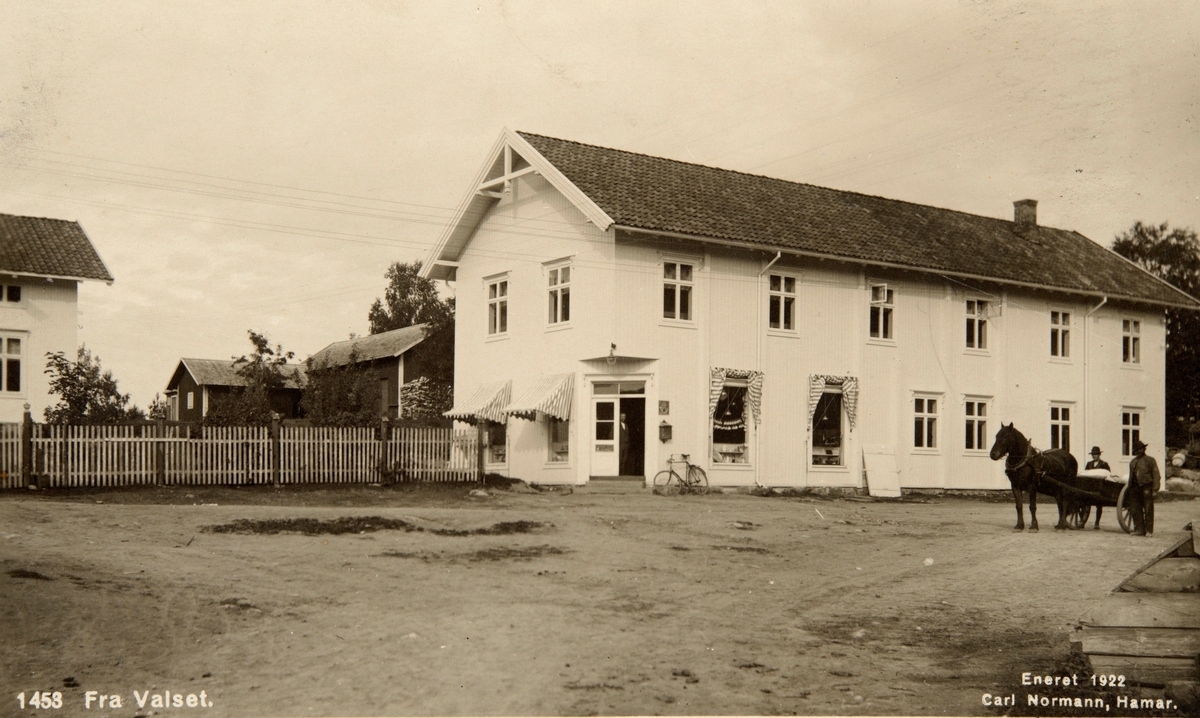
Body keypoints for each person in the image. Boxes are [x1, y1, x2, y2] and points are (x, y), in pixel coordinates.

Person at [1126, 440, 1161, 537]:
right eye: (1137, 449)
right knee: (1135, 509)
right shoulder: (1132, 462)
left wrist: (1155, 489)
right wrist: (1130, 488)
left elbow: (1156, 475)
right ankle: (1139, 530)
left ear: (1144, 449)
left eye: (1141, 448)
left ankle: (1149, 531)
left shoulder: (1150, 460)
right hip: (1134, 488)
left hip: (1146, 487)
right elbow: (1131, 476)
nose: (1139, 451)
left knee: (1148, 509)